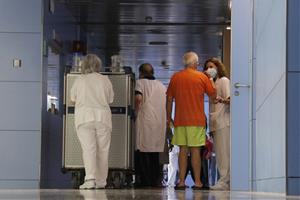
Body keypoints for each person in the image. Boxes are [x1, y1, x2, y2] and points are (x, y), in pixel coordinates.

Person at [166, 51, 216, 190]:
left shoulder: (176, 77)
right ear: (195, 64)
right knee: (195, 150)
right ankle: (198, 182)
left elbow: (169, 98)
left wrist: (168, 116)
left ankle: (181, 182)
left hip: (180, 120)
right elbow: (213, 96)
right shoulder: (202, 77)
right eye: (198, 63)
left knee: (182, 149)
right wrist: (211, 79)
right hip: (197, 120)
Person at [70, 54, 114, 189]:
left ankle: (89, 180)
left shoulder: (80, 80)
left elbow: (72, 98)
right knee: (103, 150)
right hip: (103, 118)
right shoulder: (105, 79)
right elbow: (111, 99)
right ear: (98, 65)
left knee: (89, 149)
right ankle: (101, 181)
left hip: (84, 118)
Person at [134, 63, 167, 187]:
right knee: (155, 154)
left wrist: (135, 112)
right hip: (159, 123)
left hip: (145, 121)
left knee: (143, 152)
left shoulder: (140, 83)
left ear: (141, 73)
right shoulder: (161, 85)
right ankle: (155, 181)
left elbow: (138, 98)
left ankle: (144, 181)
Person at [203, 57, 230, 190]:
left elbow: (230, 99)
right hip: (215, 122)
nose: (209, 69)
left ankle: (225, 181)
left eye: (211, 67)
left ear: (218, 67)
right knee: (219, 153)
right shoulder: (212, 83)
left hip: (223, 121)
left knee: (224, 152)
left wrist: (221, 100)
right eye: (207, 67)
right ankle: (223, 179)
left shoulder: (224, 81)